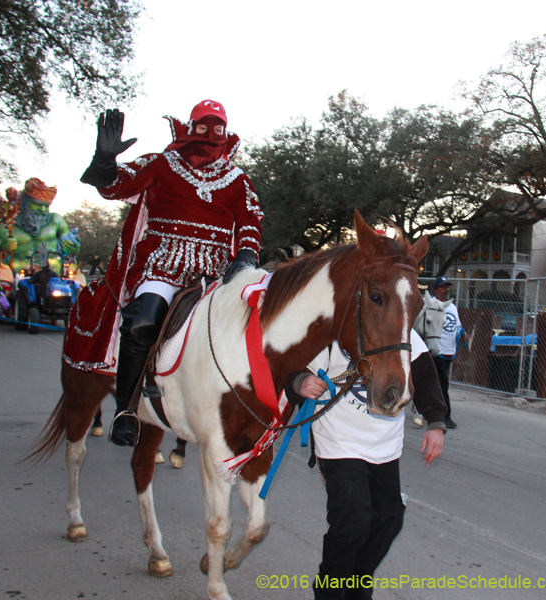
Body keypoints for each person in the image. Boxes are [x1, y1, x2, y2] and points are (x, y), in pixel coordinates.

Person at [67, 101, 264, 446]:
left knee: (247, 328)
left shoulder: (238, 179)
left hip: (214, 273)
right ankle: (126, 410)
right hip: (164, 264)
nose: (210, 134)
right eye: (204, 126)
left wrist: (246, 254)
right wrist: (104, 161)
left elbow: (250, 221)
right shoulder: (161, 163)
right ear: (190, 127)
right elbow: (117, 187)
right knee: (143, 321)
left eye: (217, 128)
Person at [285, 329, 446, 600]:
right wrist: (300, 382)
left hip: (385, 443)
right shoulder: (332, 325)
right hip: (338, 441)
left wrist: (435, 421)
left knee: (389, 518)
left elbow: (424, 372)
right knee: (353, 520)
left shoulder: (399, 323)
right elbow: (290, 369)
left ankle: (355, 584)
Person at [430, 276, 465, 428]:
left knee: (437, 383)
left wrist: (463, 334)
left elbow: (457, 326)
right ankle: (445, 416)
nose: (446, 290)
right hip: (437, 350)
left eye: (447, 287)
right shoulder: (431, 304)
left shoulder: (452, 307)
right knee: (443, 384)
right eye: (443, 287)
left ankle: (427, 407)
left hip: (450, 351)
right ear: (436, 289)